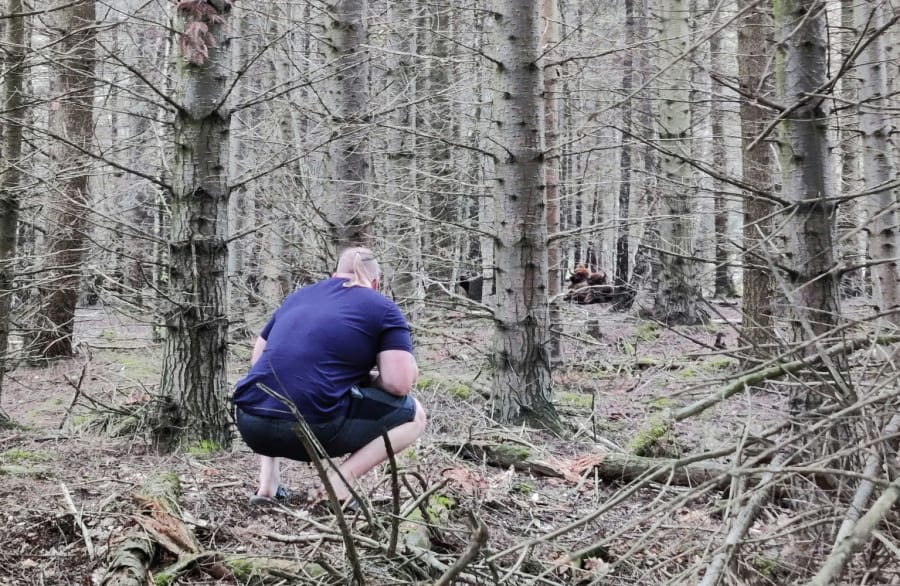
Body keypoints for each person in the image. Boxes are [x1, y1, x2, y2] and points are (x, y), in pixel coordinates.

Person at [232, 247, 426, 506]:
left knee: (276, 381)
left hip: (250, 423)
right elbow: (398, 384)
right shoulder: (383, 308)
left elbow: (259, 362)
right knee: (416, 416)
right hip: (312, 429)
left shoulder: (299, 297)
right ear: (376, 283)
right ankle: (339, 486)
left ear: (334, 274)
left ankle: (267, 486)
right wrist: (369, 380)